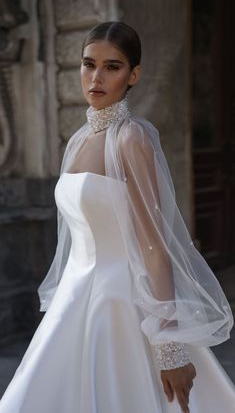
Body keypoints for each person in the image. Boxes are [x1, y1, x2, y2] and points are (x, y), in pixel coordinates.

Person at [0, 21, 234, 413]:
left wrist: (168, 347)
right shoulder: (78, 140)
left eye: (112, 67)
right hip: (75, 300)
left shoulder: (131, 139)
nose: (96, 77)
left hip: (120, 303)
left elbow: (155, 247)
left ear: (134, 75)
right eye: (89, 64)